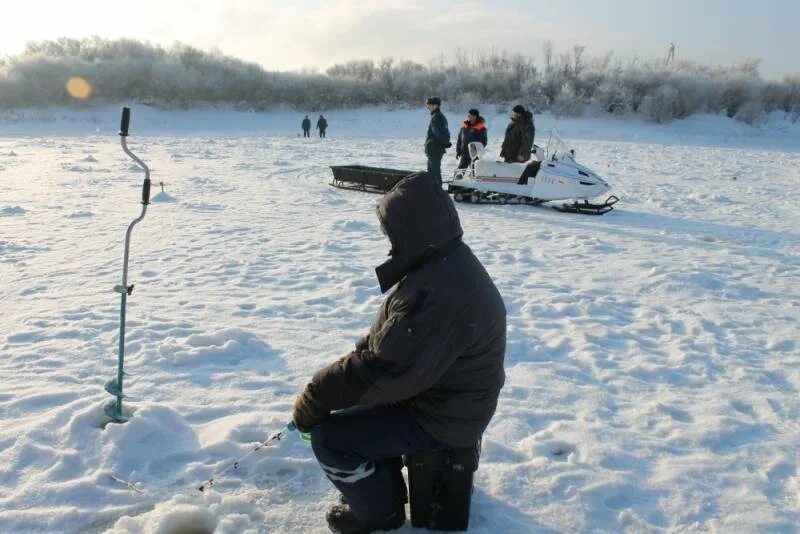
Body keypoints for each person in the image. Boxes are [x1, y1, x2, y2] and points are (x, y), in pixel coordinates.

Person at [292, 172, 506, 534]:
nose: (388, 241)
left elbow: (386, 369)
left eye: (391, 232)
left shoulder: (439, 293)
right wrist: (339, 383)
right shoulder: (441, 262)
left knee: (331, 439)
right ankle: (380, 488)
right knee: (352, 407)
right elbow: (388, 344)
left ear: (413, 231)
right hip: (440, 397)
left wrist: (317, 395)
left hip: (444, 416)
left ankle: (380, 513)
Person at [424, 96, 451, 185]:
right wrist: (446, 143)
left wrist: (445, 142)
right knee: (433, 171)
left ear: (435, 106)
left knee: (433, 172)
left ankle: (437, 191)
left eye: (429, 104)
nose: (427, 106)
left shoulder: (436, 117)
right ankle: (435, 190)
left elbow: (439, 134)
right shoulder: (439, 116)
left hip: (434, 149)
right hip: (435, 148)